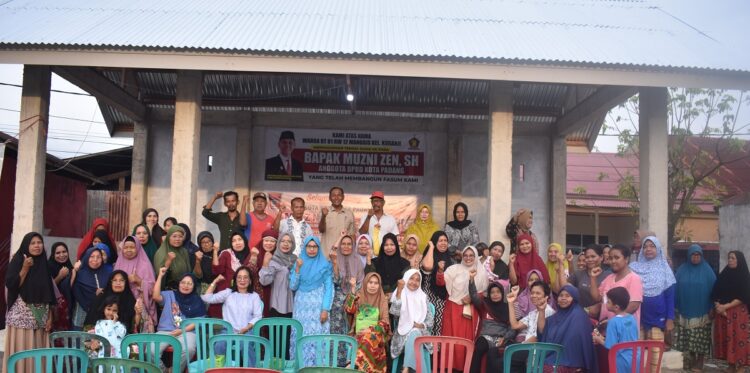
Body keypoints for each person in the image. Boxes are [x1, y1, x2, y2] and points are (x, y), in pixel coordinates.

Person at [2, 232, 56, 373]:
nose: (37, 246)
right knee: (23, 349)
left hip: (41, 318)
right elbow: (12, 284)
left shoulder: (44, 264)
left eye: (39, 242)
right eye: (33, 243)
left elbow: (48, 293)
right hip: (22, 316)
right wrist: (25, 267)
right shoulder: (18, 259)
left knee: (37, 350)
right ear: (26, 245)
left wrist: (50, 315)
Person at [438, 245, 488, 371]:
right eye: (465, 255)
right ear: (462, 256)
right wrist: (440, 271)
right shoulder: (454, 269)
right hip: (453, 308)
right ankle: (448, 368)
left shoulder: (481, 272)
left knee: (466, 341)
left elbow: (484, 293)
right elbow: (441, 282)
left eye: (471, 255)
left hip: (470, 310)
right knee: (450, 341)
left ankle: (465, 368)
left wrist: (472, 297)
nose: (468, 258)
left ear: (476, 256)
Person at [629, 236, 675, 371]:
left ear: (658, 249)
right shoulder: (633, 268)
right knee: (637, 354)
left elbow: (670, 296)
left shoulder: (665, 269)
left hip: (658, 318)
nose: (648, 249)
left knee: (655, 355)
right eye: (645, 246)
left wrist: (670, 319)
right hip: (637, 317)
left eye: (652, 246)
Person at [290, 236, 334, 367]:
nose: (312, 249)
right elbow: (292, 286)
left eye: (315, 247)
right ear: (305, 248)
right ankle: (300, 368)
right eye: (309, 246)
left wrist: (325, 309)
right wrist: (297, 269)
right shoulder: (298, 263)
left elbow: (329, 289)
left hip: (318, 310)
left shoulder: (325, 265)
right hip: (301, 310)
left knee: (317, 339)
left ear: (318, 248)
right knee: (301, 337)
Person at [153, 270, 205, 372]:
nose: (186, 285)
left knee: (189, 349)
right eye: (183, 282)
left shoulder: (197, 301)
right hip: (166, 331)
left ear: (194, 286)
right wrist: (160, 276)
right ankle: (164, 371)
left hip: (187, 332)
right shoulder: (169, 294)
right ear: (179, 283)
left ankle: (175, 371)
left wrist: (182, 330)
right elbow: (155, 296)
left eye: (189, 283)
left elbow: (198, 321)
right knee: (150, 351)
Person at [674, 244, 716, 372]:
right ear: (689, 256)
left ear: (701, 256)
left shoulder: (708, 271)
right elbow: (675, 288)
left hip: (702, 311)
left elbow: (715, 291)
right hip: (685, 309)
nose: (696, 257)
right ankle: (690, 360)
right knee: (688, 337)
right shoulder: (682, 270)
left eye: (698, 255)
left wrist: (712, 307)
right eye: (693, 255)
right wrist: (675, 306)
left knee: (701, 338)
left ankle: (700, 361)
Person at [538, 284, 597, 373]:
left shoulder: (578, 316)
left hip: (572, 362)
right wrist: (541, 311)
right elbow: (542, 331)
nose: (563, 298)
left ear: (574, 298)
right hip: (554, 357)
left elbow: (574, 343)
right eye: (561, 295)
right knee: (531, 362)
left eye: (567, 296)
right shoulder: (556, 316)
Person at [711, 250, 750, 372]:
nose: (730, 260)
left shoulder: (744, 276)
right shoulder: (724, 274)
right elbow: (715, 292)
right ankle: (731, 364)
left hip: (738, 313)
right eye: (729, 258)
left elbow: (744, 296)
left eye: (733, 258)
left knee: (739, 339)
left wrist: (725, 307)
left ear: (739, 260)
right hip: (723, 313)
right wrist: (718, 306)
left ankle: (741, 366)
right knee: (727, 339)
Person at [344, 272, 391, 373]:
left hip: (376, 337)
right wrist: (353, 290)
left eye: (376, 283)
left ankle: (354, 364)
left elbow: (385, 323)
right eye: (370, 282)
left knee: (368, 338)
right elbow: (349, 310)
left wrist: (369, 330)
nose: (373, 285)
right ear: (365, 283)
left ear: (379, 285)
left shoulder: (382, 300)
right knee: (365, 338)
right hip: (358, 335)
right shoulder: (359, 296)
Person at [390, 269, 435, 373]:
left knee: (415, 332)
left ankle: (406, 368)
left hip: (421, 333)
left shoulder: (423, 297)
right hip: (402, 332)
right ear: (406, 278)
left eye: (417, 280)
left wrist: (421, 325)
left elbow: (430, 320)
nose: (414, 282)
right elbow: (395, 313)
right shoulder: (400, 293)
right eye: (411, 278)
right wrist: (399, 291)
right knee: (413, 333)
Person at [212, 231, 263, 318]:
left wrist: (254, 257)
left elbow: (253, 275)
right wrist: (215, 251)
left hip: (246, 297)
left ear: (245, 241)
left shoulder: (252, 254)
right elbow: (217, 270)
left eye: (240, 239)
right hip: (228, 297)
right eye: (234, 241)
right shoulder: (227, 254)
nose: (237, 243)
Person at [201, 267, 263, 337]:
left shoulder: (254, 296)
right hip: (228, 331)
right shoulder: (228, 293)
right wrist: (215, 281)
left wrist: (246, 328)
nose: (242, 280)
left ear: (250, 280)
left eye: (245, 277)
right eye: (239, 277)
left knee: (244, 346)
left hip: (248, 331)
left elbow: (258, 316)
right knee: (219, 346)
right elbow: (207, 298)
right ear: (235, 280)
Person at [469, 280, 515, 373]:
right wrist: (471, 280)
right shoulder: (485, 305)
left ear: (502, 293)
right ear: (489, 294)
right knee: (479, 347)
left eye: (498, 292)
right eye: (492, 292)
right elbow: (474, 296)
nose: (495, 294)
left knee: (492, 355)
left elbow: (513, 327)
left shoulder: (508, 308)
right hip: (486, 338)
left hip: (501, 339)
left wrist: (505, 338)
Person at [114, 236, 157, 332]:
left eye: (132, 247)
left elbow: (153, 290)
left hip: (140, 306)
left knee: (140, 341)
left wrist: (139, 281)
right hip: (120, 305)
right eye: (126, 247)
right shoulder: (119, 263)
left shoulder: (145, 265)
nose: (129, 250)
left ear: (137, 247)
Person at [593, 287, 641, 373]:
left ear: (616, 307)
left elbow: (611, 346)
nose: (606, 303)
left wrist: (599, 339)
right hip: (636, 358)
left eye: (608, 302)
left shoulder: (613, 322)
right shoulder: (632, 318)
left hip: (621, 360)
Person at [561, 244, 612, 317]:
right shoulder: (578, 274)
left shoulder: (608, 276)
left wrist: (600, 305)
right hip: (580, 316)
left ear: (601, 257)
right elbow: (565, 288)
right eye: (587, 257)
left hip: (602, 318)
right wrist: (561, 266)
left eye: (593, 256)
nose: (590, 259)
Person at [330, 233, 365, 338]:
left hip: (352, 301)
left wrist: (352, 294)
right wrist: (335, 264)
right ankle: (335, 354)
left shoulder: (357, 261)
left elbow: (360, 282)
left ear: (353, 246)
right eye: (343, 244)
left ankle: (348, 354)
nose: (346, 246)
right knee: (335, 331)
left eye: (349, 244)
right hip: (336, 302)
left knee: (349, 331)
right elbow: (335, 281)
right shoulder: (335, 260)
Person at [84, 270, 140, 334]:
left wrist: (138, 313)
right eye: (115, 280)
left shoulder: (130, 300)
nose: (118, 283)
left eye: (122, 280)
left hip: (123, 339)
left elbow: (134, 326)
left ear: (126, 283)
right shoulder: (101, 298)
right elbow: (90, 321)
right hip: (99, 339)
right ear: (110, 282)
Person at [71, 246, 112, 330]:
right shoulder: (80, 273)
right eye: (92, 256)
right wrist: (74, 271)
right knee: (80, 339)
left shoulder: (108, 273)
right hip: (82, 313)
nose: (95, 260)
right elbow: (71, 289)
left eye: (98, 257)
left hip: (101, 313)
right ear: (86, 257)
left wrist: (101, 295)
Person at [420, 231, 452, 335]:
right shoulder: (428, 256)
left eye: (445, 241)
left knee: (439, 327)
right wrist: (431, 247)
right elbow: (428, 267)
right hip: (428, 298)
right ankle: (425, 350)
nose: (443, 243)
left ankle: (437, 351)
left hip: (443, 299)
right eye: (440, 241)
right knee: (427, 327)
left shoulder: (449, 259)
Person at [260, 232, 297, 319]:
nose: (286, 244)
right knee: (277, 331)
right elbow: (264, 281)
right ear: (278, 243)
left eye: (289, 241)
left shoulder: (296, 260)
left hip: (292, 304)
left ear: (293, 244)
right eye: (283, 241)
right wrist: (265, 264)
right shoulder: (274, 260)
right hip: (277, 305)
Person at [319, 186, 357, 257]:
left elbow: (352, 235)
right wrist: (324, 216)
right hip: (326, 255)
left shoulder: (349, 213)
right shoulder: (324, 212)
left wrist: (352, 253)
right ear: (329, 198)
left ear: (343, 197)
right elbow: (321, 230)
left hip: (343, 256)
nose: (336, 197)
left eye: (339, 195)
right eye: (333, 195)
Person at [359, 191, 399, 256]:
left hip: (386, 255)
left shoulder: (390, 219)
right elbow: (361, 233)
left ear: (383, 203)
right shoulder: (365, 217)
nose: (375, 203)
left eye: (378, 201)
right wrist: (368, 217)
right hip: (369, 255)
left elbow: (395, 239)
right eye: (373, 201)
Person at [153, 225, 193, 290]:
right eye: (174, 236)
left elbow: (188, 271)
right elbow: (159, 276)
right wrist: (168, 261)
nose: (177, 239)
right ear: (168, 237)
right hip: (168, 291)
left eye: (180, 236)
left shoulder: (184, 251)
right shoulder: (161, 253)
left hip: (185, 289)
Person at [48, 241, 73, 332]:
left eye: (64, 252)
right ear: (53, 254)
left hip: (68, 309)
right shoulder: (48, 267)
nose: (62, 255)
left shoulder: (70, 267)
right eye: (58, 253)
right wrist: (60, 276)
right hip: (54, 310)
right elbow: (47, 287)